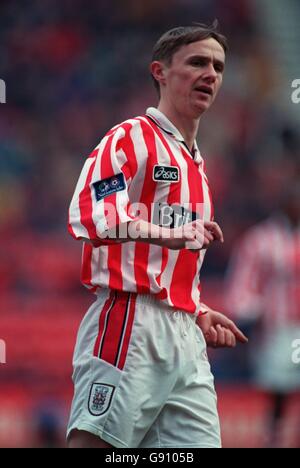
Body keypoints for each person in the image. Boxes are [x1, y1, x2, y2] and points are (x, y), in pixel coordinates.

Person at [67, 21, 248, 449]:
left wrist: (197, 309)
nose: (211, 74)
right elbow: (90, 216)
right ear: (160, 72)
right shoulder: (130, 138)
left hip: (186, 337)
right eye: (197, 63)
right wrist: (168, 233)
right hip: (130, 322)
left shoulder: (198, 166)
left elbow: (168, 258)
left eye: (218, 67)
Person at [226, 182, 300, 447]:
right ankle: (274, 441)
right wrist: (253, 309)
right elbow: (241, 286)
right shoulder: (260, 241)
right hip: (277, 330)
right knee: (279, 392)